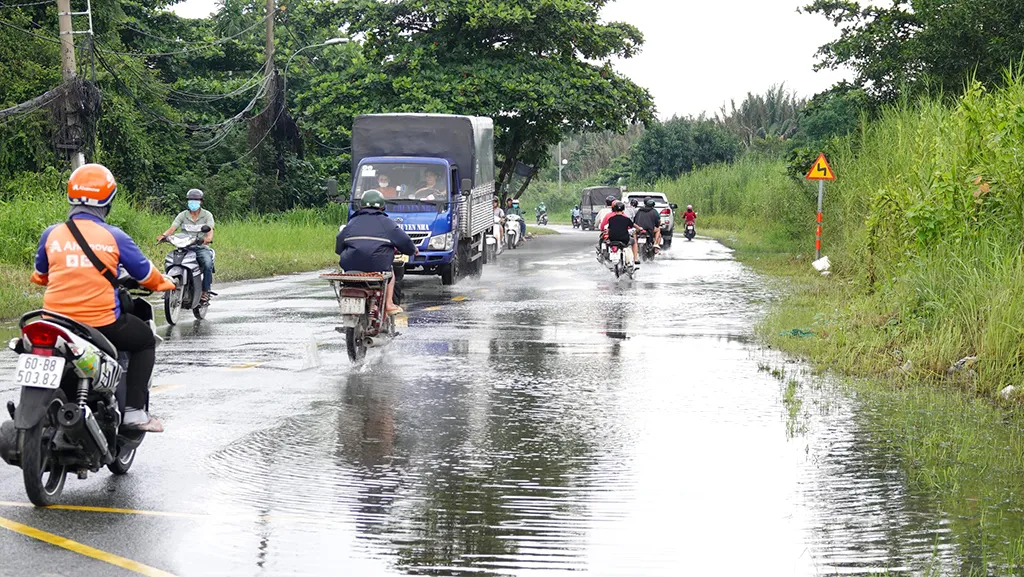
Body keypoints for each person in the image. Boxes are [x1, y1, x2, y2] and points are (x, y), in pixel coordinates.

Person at [32, 164, 176, 432]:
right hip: (100, 321)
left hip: (54, 322)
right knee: (145, 341)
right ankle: (134, 412)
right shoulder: (115, 236)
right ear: (108, 200)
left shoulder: (51, 234)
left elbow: (41, 276)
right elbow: (147, 277)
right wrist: (165, 283)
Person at [336, 190, 417, 314]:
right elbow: (405, 242)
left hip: (350, 266)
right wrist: (413, 250)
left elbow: (339, 245)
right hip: (377, 266)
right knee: (391, 273)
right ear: (382, 207)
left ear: (361, 206)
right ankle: (389, 304)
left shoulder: (352, 222)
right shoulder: (387, 223)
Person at [157, 189, 215, 305]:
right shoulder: (182, 215)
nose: (193, 202)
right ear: (188, 202)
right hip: (184, 247)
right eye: (191, 200)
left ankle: (205, 291)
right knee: (169, 261)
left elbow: (210, 231)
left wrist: (207, 239)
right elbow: (173, 228)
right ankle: (168, 286)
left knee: (208, 263)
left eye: (196, 200)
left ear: (201, 202)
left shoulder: (207, 215)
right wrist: (163, 236)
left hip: (199, 247)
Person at [600, 200, 641, 266]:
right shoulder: (626, 219)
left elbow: (608, 228)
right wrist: (640, 228)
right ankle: (635, 258)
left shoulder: (610, 218)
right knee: (633, 242)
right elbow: (633, 225)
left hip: (612, 239)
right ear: (623, 210)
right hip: (624, 239)